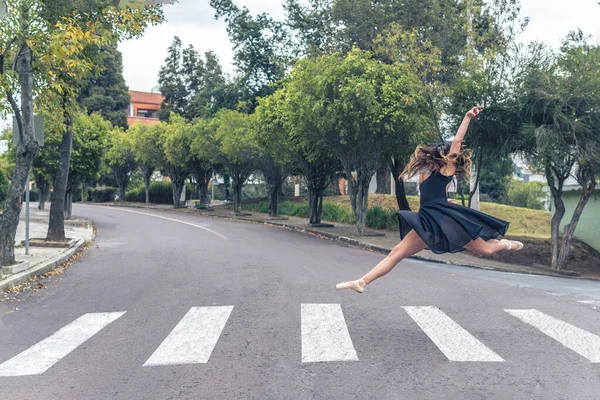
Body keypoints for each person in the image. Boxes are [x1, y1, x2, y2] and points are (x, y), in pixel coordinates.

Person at [336, 106, 522, 294]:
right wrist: (446, 202)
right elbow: (435, 197)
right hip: (427, 221)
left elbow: (457, 141)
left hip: (446, 222)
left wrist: (467, 117)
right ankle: (362, 282)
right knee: (396, 253)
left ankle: (507, 244)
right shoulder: (428, 176)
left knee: (486, 250)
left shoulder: (447, 170)